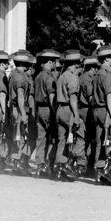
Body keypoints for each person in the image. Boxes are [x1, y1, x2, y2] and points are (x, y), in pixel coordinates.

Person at [52, 50, 83, 182]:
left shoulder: (62, 76)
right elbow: (73, 98)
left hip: (59, 108)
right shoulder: (72, 77)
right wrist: (76, 115)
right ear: (75, 65)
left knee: (62, 140)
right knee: (73, 139)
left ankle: (59, 170)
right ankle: (68, 166)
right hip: (69, 109)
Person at [90, 47, 111, 186]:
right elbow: (110, 98)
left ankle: (98, 172)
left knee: (99, 141)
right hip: (105, 111)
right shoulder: (108, 75)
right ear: (106, 59)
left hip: (96, 109)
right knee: (108, 141)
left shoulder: (96, 74)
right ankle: (104, 170)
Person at [31, 49, 61, 178]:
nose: (55, 65)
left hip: (39, 109)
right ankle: (50, 164)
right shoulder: (49, 77)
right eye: (54, 62)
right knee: (53, 138)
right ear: (50, 62)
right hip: (48, 109)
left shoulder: (37, 76)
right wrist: (56, 112)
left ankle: (39, 165)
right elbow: (52, 96)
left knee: (41, 138)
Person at [76, 55, 98, 177]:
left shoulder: (80, 77)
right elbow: (91, 98)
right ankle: (84, 165)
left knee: (81, 138)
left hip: (80, 110)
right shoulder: (88, 79)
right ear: (92, 68)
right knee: (89, 139)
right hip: (87, 111)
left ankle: (79, 164)